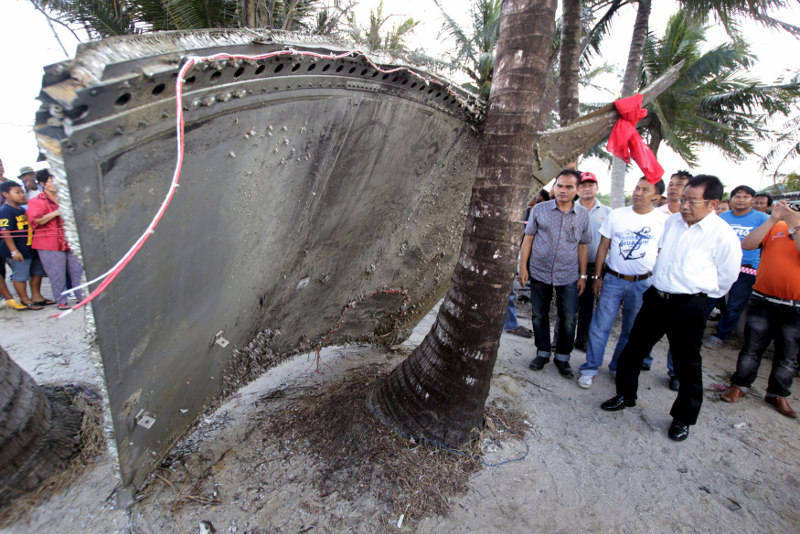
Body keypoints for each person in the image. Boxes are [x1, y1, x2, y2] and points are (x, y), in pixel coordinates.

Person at [600, 175, 741, 442]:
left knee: (687, 364)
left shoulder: (723, 236)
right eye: (683, 199)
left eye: (691, 201)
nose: (684, 205)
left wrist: (698, 296)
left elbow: (727, 277)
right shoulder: (672, 222)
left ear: (712, 203)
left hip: (689, 305)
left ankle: (683, 418)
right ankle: (625, 395)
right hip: (656, 298)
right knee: (633, 350)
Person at [577, 177, 667, 388]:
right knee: (600, 326)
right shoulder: (617, 215)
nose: (638, 192)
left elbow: (662, 253)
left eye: (645, 190)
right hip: (613, 280)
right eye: (637, 187)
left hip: (643, 284)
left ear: (656, 196)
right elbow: (603, 247)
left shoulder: (663, 222)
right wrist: (598, 276)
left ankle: (618, 366)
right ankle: (590, 368)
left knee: (632, 329)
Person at [720, 200, 800, 418]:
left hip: (795, 308)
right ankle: (739, 385)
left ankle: (777, 393)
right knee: (751, 347)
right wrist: (774, 218)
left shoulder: (793, 228)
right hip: (763, 300)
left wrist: (796, 226)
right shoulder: (776, 226)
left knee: (787, 355)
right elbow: (747, 244)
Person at [518, 169, 591, 378]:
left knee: (568, 317)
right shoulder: (539, 210)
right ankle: (542, 353)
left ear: (577, 190)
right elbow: (529, 238)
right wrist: (523, 267)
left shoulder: (583, 215)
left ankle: (562, 357)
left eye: (569, 186)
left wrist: (583, 275)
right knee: (539, 315)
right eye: (559, 185)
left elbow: (583, 245)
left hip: (568, 274)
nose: (562, 190)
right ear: (554, 186)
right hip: (539, 272)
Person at [703, 185, 769, 349]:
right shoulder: (723, 217)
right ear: (732, 199)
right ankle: (696, 329)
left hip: (746, 270)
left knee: (734, 306)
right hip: (719, 266)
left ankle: (720, 336)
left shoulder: (763, 219)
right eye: (737, 196)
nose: (741, 200)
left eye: (745, 197)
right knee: (708, 300)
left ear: (752, 200)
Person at [26, 169, 84, 310]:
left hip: (71, 240)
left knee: (78, 271)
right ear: (42, 183)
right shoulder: (36, 201)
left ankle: (81, 297)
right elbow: (36, 221)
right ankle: (61, 300)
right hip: (49, 243)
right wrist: (56, 212)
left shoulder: (67, 197)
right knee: (56, 273)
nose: (56, 184)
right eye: (52, 181)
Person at [573, 172, 611, 351]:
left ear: (597, 188)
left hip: (592, 267)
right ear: (577, 189)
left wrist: (599, 274)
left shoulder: (607, 212)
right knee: (566, 307)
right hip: (570, 266)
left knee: (587, 307)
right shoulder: (569, 208)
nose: (587, 188)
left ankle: (582, 340)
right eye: (583, 185)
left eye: (591, 185)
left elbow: (608, 243)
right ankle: (559, 341)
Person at [0, 181, 50, 310]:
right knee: (20, 275)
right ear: (5, 194)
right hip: (19, 249)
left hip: (30, 247)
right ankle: (25, 299)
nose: (22, 195)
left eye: (22, 192)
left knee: (37, 272)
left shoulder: (22, 209)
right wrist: (14, 251)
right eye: (17, 192)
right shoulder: (5, 211)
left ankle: (37, 296)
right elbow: (5, 232)